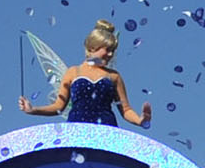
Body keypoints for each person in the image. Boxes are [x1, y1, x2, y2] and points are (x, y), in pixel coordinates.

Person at [19, 17, 149, 126]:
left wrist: (140, 120)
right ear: (92, 48)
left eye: (113, 51)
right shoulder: (73, 72)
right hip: (77, 130)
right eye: (107, 49)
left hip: (106, 130)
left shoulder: (114, 76)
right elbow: (58, 106)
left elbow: (125, 109)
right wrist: (33, 109)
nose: (110, 54)